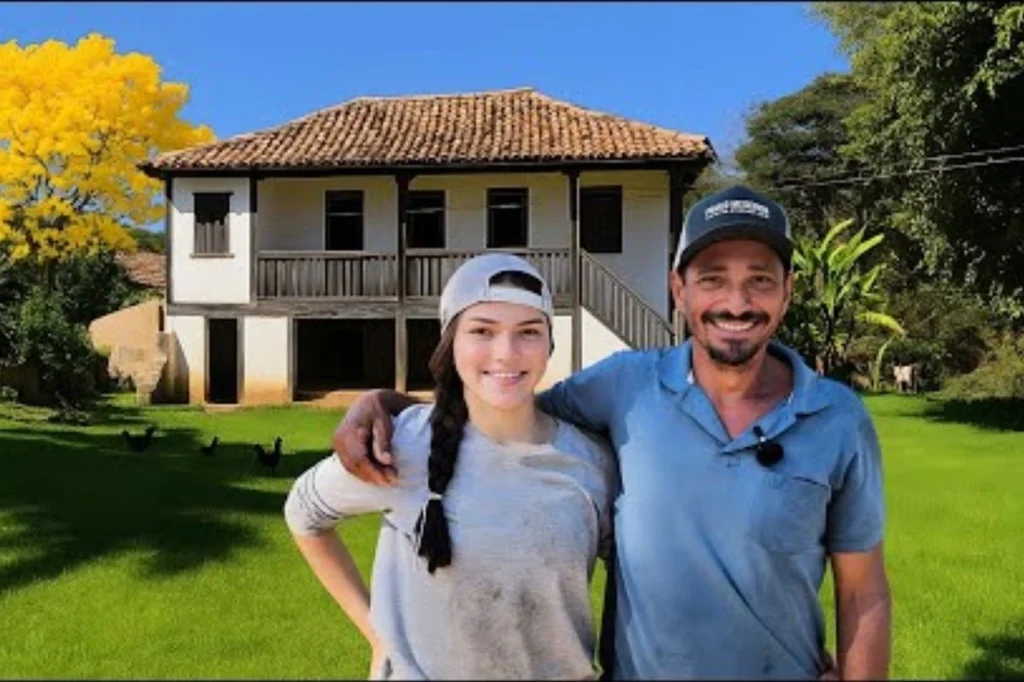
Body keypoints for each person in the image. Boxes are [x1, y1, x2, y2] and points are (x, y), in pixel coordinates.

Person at [331, 185, 892, 680]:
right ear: (679, 288)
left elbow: (863, 589)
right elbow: (499, 408)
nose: (736, 303)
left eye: (760, 281)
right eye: (713, 279)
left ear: (788, 291)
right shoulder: (626, 386)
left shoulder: (837, 419)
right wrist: (382, 404)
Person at [283, 253, 619, 680]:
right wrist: (376, 633)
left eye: (529, 332)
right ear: (450, 343)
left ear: (550, 344)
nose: (506, 352)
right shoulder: (400, 445)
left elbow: (637, 586)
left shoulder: (591, 465)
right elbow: (304, 514)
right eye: (482, 330)